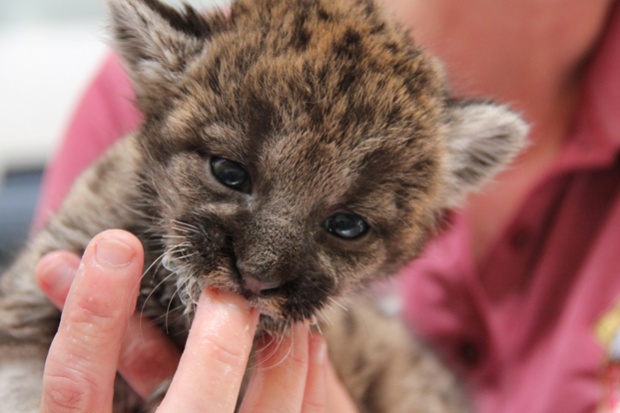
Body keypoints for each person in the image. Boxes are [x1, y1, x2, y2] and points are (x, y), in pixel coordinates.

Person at [34, 0, 620, 411]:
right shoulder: (192, 79)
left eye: (346, 225)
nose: (260, 267)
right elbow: (32, 327)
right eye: (229, 173)